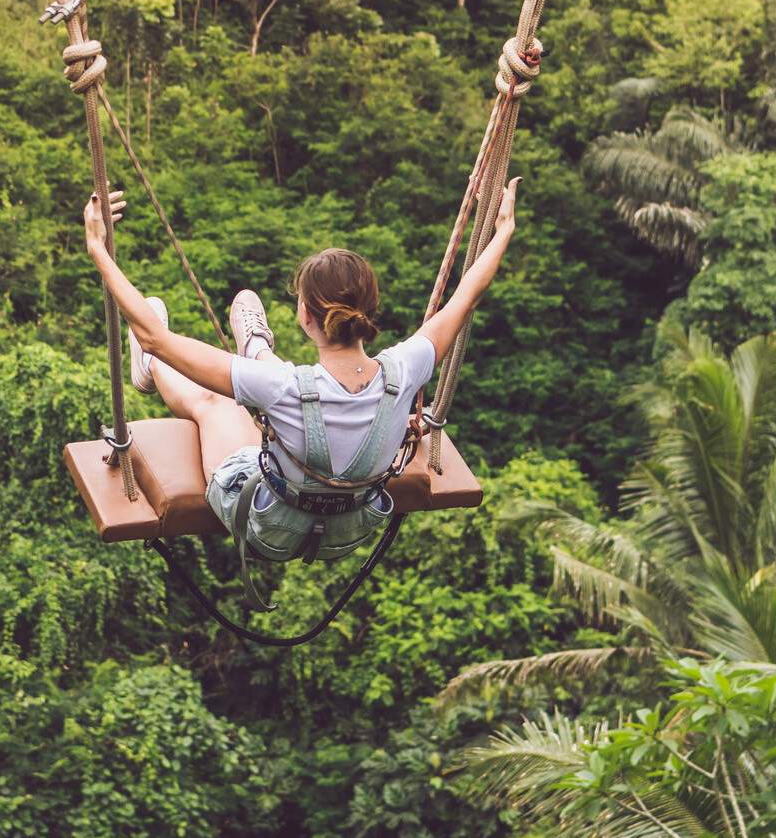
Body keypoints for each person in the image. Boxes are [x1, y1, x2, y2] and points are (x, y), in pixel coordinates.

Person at [82, 175, 520, 559]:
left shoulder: (280, 388)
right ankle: (255, 345)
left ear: (306, 317)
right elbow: (465, 297)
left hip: (268, 527)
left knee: (216, 403)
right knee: (263, 386)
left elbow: (154, 335)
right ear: (369, 311)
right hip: (348, 531)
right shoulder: (406, 368)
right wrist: (502, 231)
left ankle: (157, 368)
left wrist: (98, 248)